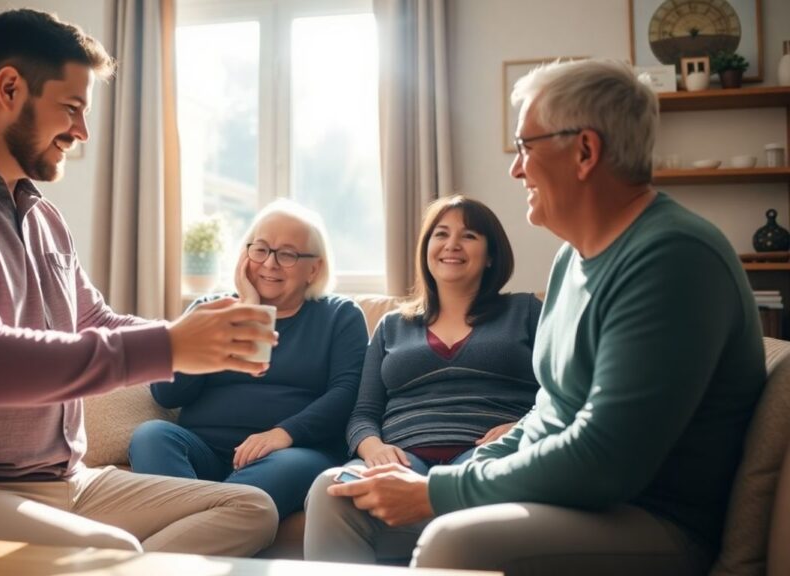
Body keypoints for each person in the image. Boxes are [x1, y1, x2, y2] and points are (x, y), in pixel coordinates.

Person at [0, 9, 282, 556]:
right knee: (112, 551)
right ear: (9, 87)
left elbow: (93, 323)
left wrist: (196, 338)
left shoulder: (40, 214)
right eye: (71, 108)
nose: (82, 131)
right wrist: (169, 345)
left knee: (248, 507)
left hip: (67, 481)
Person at [320, 59, 766, 575]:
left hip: (648, 516)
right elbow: (549, 413)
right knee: (338, 498)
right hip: (567, 498)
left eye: (526, 147)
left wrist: (440, 488)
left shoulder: (671, 257)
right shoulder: (571, 259)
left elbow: (605, 459)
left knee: (455, 544)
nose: (516, 168)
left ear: (584, 151)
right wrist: (468, 468)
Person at [303, 194, 541, 564]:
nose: (451, 245)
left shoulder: (525, 310)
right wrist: (373, 449)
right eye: (440, 234)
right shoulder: (391, 326)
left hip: (485, 457)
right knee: (329, 488)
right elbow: (363, 412)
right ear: (426, 248)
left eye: (469, 236)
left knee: (470, 499)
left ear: (491, 254)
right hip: (402, 461)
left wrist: (523, 426)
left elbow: (561, 392)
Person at [128, 200, 369, 520]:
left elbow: (347, 392)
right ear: (245, 255)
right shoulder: (211, 309)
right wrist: (244, 312)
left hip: (291, 453)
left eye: (287, 254)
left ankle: (192, 529)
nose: (269, 264)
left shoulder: (340, 316)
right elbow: (168, 394)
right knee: (151, 436)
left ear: (315, 268)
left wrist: (282, 434)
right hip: (204, 449)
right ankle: (216, 525)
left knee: (288, 468)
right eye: (261, 249)